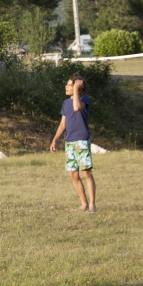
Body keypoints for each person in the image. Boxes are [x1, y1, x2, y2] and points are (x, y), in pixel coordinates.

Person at [49, 74, 96, 212]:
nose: (66, 87)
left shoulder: (84, 99)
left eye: (69, 85)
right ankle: (83, 204)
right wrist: (55, 139)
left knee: (86, 173)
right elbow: (63, 124)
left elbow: (76, 107)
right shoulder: (65, 103)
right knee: (73, 174)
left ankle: (92, 205)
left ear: (78, 87)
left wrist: (76, 90)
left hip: (81, 139)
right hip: (69, 141)